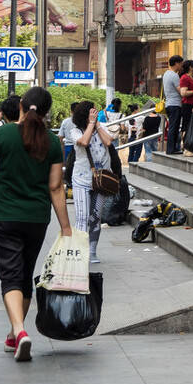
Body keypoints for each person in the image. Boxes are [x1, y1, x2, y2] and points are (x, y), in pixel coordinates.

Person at [0, 86, 69, 362]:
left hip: (5, 216)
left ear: (21, 105)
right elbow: (56, 187)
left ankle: (20, 331)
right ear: (46, 112)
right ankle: (14, 334)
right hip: (36, 218)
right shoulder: (52, 141)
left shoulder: (2, 134)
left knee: (10, 276)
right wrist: (66, 228)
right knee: (24, 276)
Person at [65, 101, 115, 265]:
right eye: (91, 113)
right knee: (82, 217)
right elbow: (84, 142)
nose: (94, 115)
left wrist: (98, 125)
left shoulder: (101, 128)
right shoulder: (75, 131)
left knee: (95, 217)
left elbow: (109, 142)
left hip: (101, 181)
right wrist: (91, 124)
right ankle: (80, 251)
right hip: (81, 180)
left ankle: (92, 251)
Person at [162, 55, 184, 154]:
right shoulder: (174, 76)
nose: (181, 66)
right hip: (175, 104)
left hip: (169, 104)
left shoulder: (166, 74)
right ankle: (171, 149)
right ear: (176, 63)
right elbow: (180, 91)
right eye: (181, 64)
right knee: (173, 128)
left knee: (172, 127)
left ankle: (172, 148)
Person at [179, 60, 193, 156]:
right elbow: (183, 93)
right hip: (188, 105)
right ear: (190, 67)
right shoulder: (184, 78)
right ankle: (186, 147)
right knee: (187, 126)